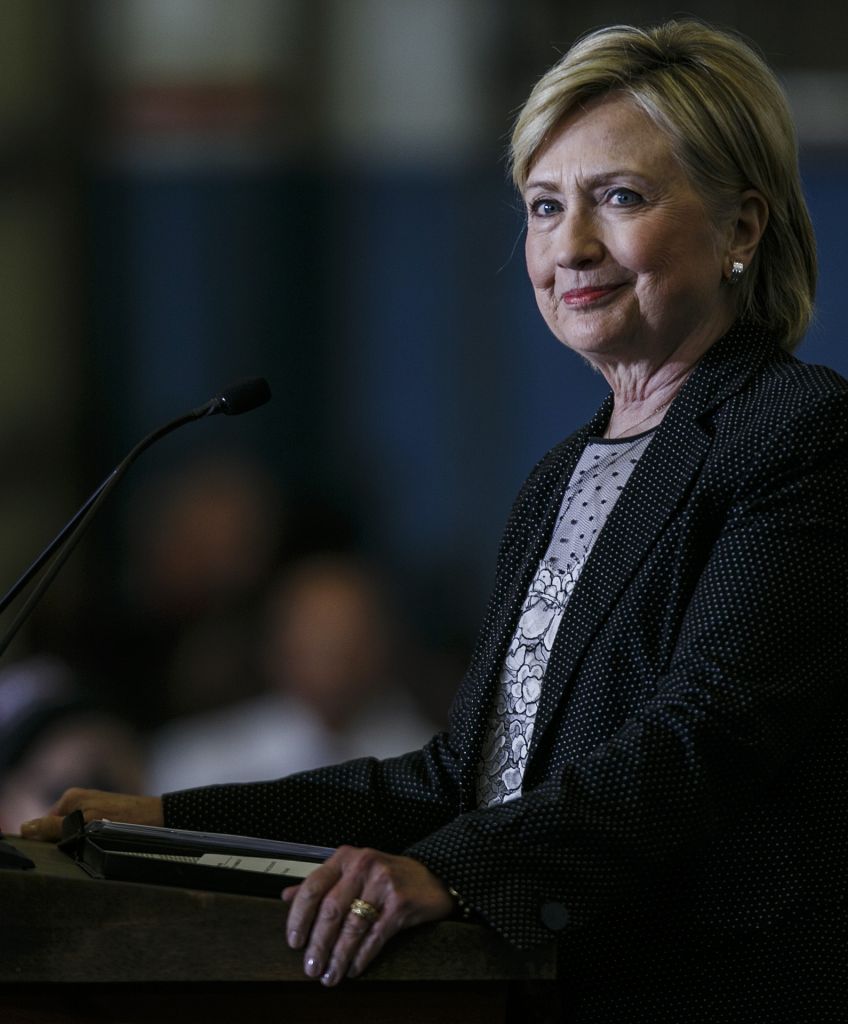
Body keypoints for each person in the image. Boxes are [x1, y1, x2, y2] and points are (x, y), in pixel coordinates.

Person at [21, 21, 848, 1022]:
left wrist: (454, 870)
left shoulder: (796, 431)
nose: (570, 246)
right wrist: (160, 819)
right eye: (544, 206)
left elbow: (700, 736)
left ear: (741, 228)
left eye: (620, 197)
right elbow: (461, 777)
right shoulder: (560, 478)